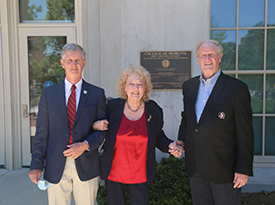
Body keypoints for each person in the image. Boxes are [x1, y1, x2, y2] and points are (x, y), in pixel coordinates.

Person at [28, 43, 107, 205]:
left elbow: (103, 130)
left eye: (78, 60)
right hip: (56, 164)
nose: (74, 65)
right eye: (69, 60)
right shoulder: (48, 94)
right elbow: (42, 132)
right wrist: (36, 164)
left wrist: (85, 145)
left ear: (84, 63)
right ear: (62, 63)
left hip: (86, 164)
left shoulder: (97, 94)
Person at [177, 39, 254, 205]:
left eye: (211, 54)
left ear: (220, 57)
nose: (207, 58)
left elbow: (245, 132)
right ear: (197, 59)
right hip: (196, 167)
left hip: (225, 169)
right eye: (203, 55)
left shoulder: (237, 88)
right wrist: (181, 141)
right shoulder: (189, 86)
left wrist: (243, 169)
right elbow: (187, 118)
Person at [93, 66, 183, 205]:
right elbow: (98, 126)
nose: (136, 88)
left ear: (145, 87)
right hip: (114, 174)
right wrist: (95, 126)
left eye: (140, 84)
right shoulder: (112, 107)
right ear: (124, 86)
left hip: (140, 176)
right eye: (131, 84)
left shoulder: (153, 109)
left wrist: (170, 145)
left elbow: (158, 136)